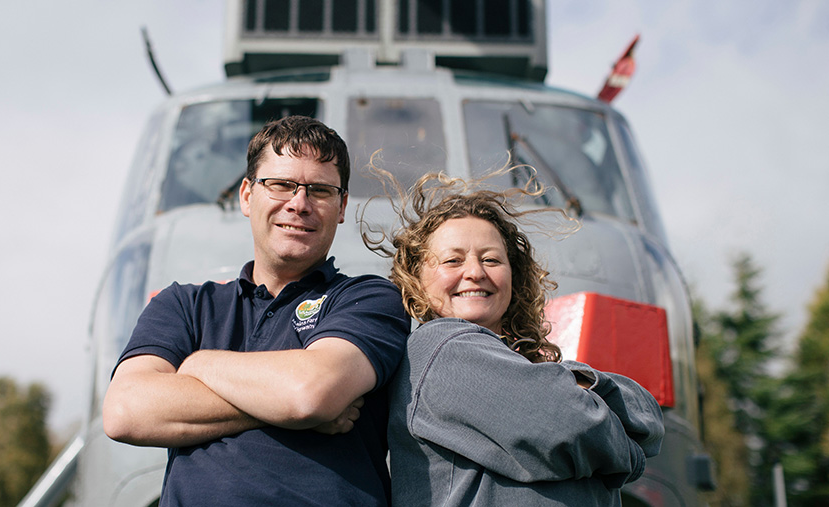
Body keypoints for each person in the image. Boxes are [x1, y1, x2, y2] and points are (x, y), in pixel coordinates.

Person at [102, 116, 410, 506]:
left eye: (319, 190)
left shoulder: (369, 299)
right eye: (281, 185)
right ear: (247, 196)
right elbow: (125, 411)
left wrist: (196, 366)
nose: (299, 204)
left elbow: (309, 393)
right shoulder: (184, 305)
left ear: (342, 205)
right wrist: (286, 408)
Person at [368, 172, 664, 506]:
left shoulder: (519, 366)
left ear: (513, 274)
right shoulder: (442, 348)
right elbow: (571, 427)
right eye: (453, 260)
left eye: (491, 259)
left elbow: (649, 420)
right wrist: (597, 417)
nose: (476, 272)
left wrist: (576, 384)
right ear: (417, 279)